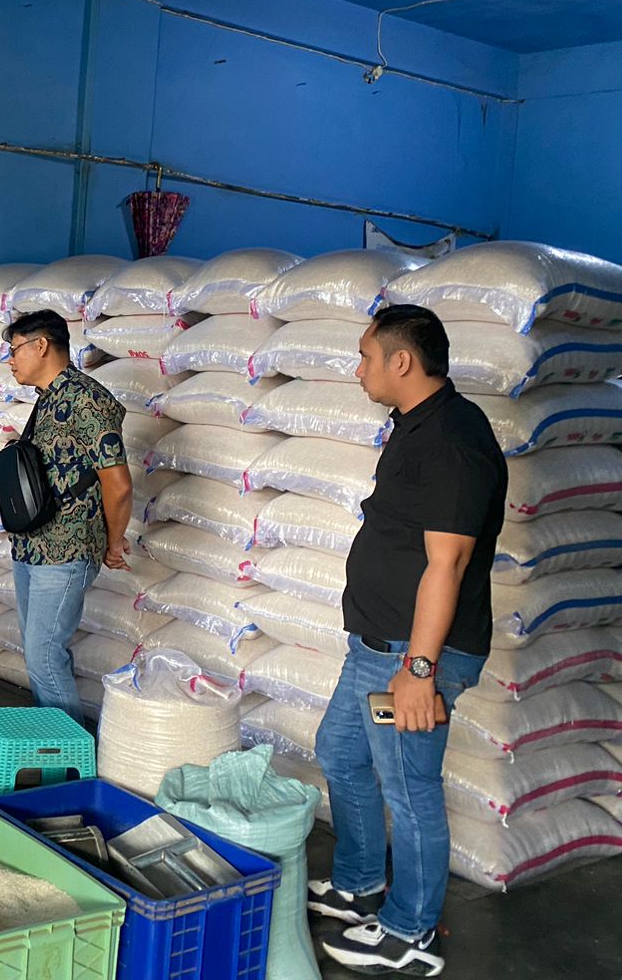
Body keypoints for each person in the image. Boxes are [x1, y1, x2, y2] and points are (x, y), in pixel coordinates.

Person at [313, 304, 505, 978]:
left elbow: (446, 563)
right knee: (338, 753)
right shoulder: (414, 428)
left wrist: (418, 670)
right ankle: (362, 880)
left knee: (409, 785)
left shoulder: (453, 439)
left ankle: (411, 930)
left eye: (367, 356)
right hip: (377, 645)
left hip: (412, 654)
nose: (359, 368)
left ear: (401, 360)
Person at [2, 309, 133, 723]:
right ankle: (53, 748)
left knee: (44, 656)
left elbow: (119, 483)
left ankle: (75, 762)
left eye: (14, 350)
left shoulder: (86, 399)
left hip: (66, 548)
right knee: (39, 653)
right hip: (33, 545)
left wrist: (113, 542)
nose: (10, 360)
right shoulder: (48, 399)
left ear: (41, 345)